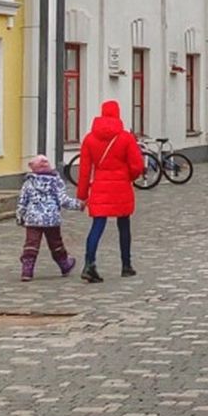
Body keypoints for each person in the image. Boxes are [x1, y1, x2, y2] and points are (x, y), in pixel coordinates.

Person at [76, 99, 145, 282]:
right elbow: (137, 165)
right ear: (117, 114)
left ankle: (89, 263)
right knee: (124, 226)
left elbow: (84, 171)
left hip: (99, 187)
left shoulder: (89, 139)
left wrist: (82, 196)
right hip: (121, 186)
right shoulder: (125, 138)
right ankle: (126, 265)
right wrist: (129, 177)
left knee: (97, 226)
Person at [15, 154, 81, 280]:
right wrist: (79, 205)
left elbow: (22, 201)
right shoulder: (56, 182)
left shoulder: (29, 183)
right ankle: (65, 264)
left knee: (31, 244)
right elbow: (63, 200)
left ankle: (27, 271)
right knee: (56, 244)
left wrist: (20, 216)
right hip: (51, 219)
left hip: (33, 219)